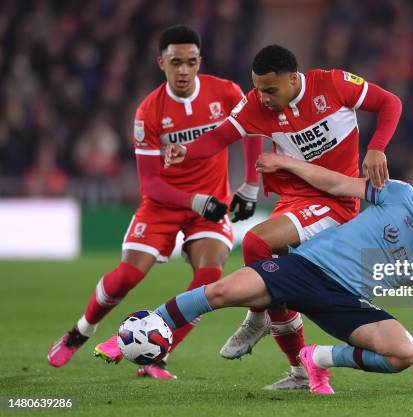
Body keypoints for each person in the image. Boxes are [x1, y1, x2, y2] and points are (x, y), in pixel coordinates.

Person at [163, 44, 402, 389]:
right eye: (258, 88)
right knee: (263, 257)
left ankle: (260, 316)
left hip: (335, 200)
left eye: (270, 90)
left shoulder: (332, 84)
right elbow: (220, 136)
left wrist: (377, 146)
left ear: (294, 79)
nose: (263, 97)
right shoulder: (256, 103)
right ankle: (299, 369)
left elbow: (389, 102)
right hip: (295, 198)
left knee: (258, 242)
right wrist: (186, 150)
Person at [148, 152, 413, 394]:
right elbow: (337, 184)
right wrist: (287, 163)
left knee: (403, 353)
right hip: (305, 268)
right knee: (220, 293)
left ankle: (317, 357)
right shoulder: (402, 196)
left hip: (345, 302)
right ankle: (147, 325)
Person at [47, 24, 263, 379]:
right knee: (126, 277)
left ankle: (155, 357)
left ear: (199, 62)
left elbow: (251, 128)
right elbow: (150, 183)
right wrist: (194, 202)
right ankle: (80, 331)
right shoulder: (148, 112)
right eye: (175, 62)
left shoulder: (225, 93)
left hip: (209, 206)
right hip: (164, 205)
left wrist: (251, 185)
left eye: (190, 62)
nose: (183, 70)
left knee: (209, 276)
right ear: (160, 62)